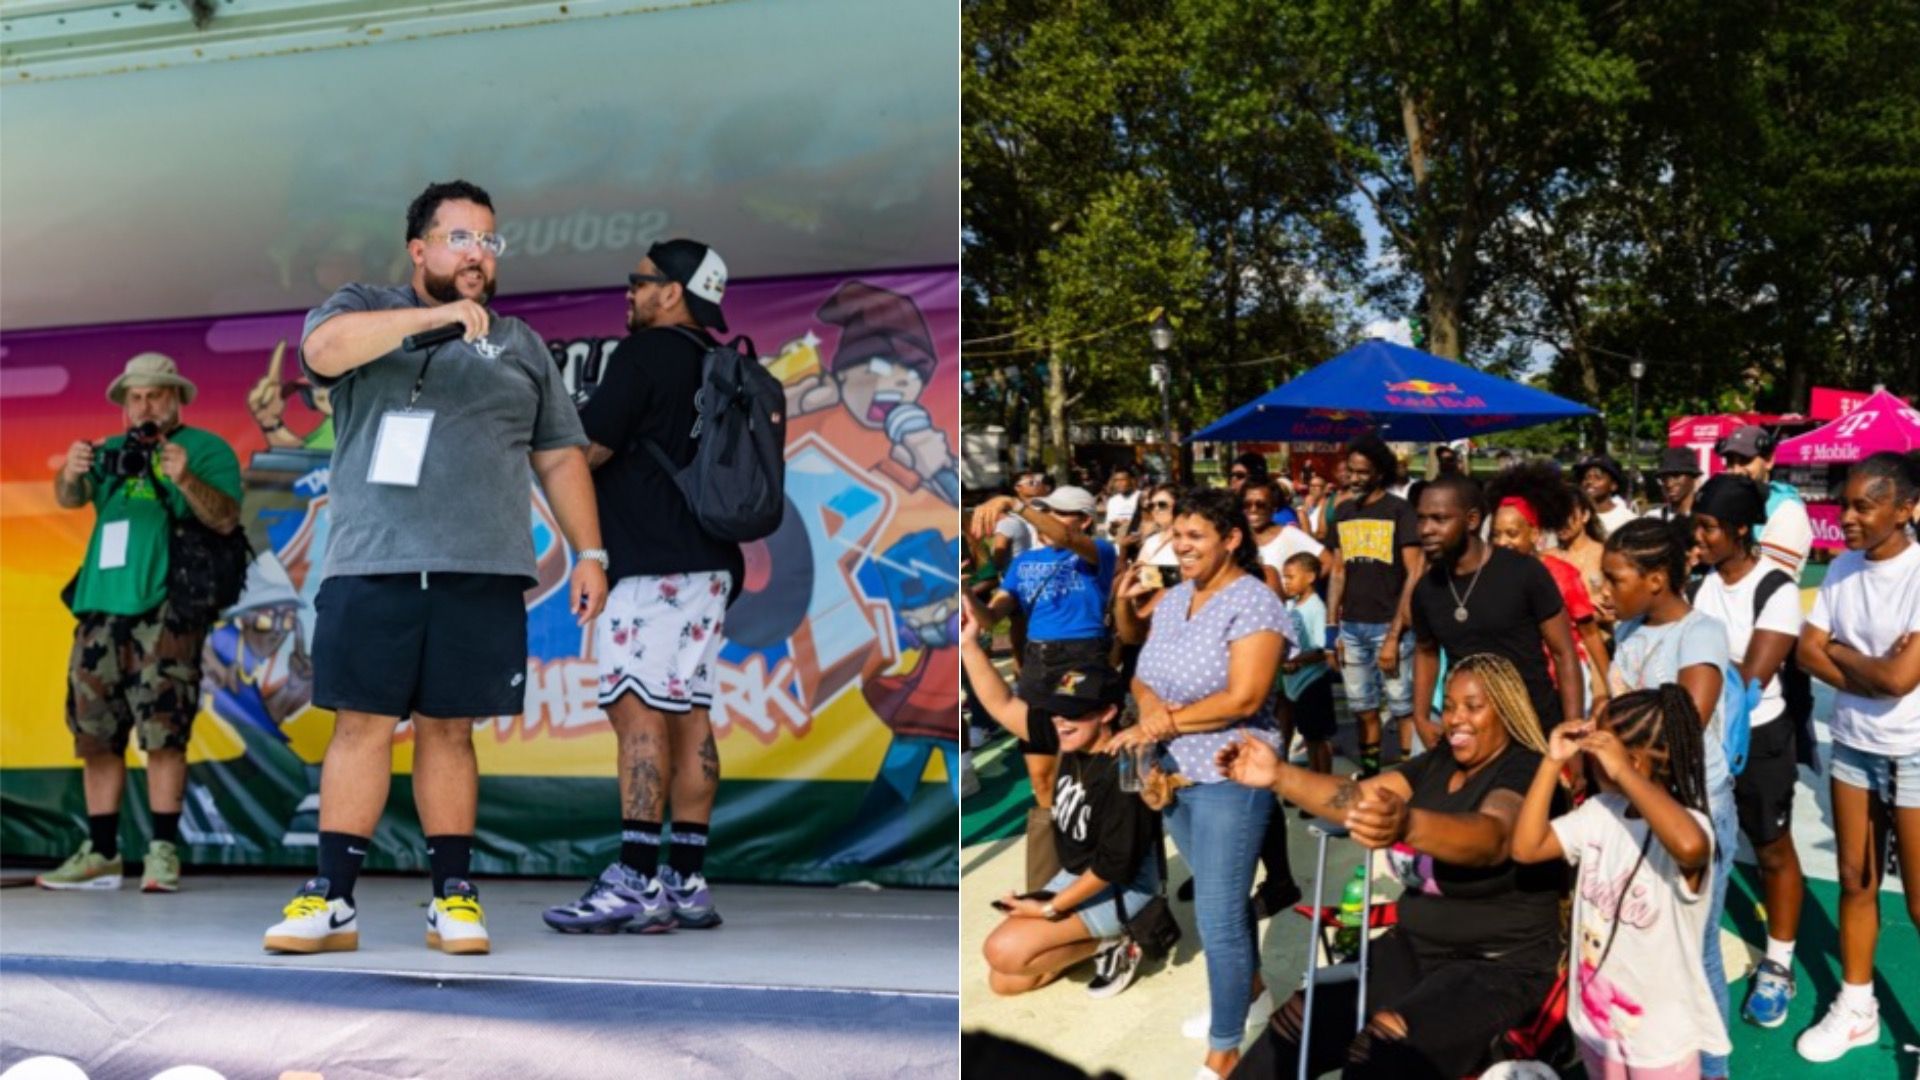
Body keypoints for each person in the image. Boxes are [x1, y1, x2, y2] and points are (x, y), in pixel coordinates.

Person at [264, 180, 609, 956]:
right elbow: (322, 352)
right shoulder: (365, 308)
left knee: (449, 731)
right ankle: (332, 900)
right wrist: (435, 319)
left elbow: (558, 457)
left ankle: (453, 896)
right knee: (361, 726)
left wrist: (590, 552)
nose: (478, 254)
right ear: (419, 249)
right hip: (372, 562)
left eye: (488, 240)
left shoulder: (519, 345)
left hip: (480, 567)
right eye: (460, 238)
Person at [1218, 654, 1566, 1080]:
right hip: (1414, 947)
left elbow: (1493, 837)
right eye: (1451, 705)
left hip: (1497, 964)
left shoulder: (1524, 768)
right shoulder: (1439, 762)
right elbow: (1354, 798)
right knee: (1298, 1024)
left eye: (1473, 707)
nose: (1457, 718)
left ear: (1508, 711)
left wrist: (1407, 823)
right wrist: (1278, 775)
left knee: (1383, 1048)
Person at [541, 238, 744, 935]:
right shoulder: (719, 362)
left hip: (650, 563)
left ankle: (633, 878)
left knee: (635, 712)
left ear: (672, 292)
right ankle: (685, 879)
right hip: (712, 564)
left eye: (641, 281)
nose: (630, 291)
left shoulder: (645, 355)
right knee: (689, 715)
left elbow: (587, 448)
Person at [41, 353, 242, 894]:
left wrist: (185, 476)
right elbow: (68, 499)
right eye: (135, 397)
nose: (144, 405)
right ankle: (102, 852)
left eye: (155, 395)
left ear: (176, 398)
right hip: (100, 608)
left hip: (167, 609)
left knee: (164, 729)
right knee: (94, 733)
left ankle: (161, 851)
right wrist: (71, 472)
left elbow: (225, 517)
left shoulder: (205, 449)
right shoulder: (109, 452)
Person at [1108, 488, 1292, 1079]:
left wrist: (1163, 721)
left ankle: (1225, 1050)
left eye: (1195, 537)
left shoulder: (1256, 602)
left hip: (1228, 772)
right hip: (1166, 771)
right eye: (1176, 535)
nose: (1181, 547)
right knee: (1224, 899)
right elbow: (1140, 676)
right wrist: (1150, 716)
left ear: (1231, 539)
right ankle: (1255, 994)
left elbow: (1246, 697)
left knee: (1214, 914)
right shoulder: (1173, 599)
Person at [1510, 689, 1727, 1079]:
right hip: (1597, 1024)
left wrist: (1623, 772)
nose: (1590, 754)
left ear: (1635, 763)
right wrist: (1550, 761)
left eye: (1601, 746)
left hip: (1660, 1037)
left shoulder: (1689, 829)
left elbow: (1692, 846)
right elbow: (1527, 848)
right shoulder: (1598, 813)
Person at [1792, 452, 1920, 1064]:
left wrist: (1845, 657)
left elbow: (1902, 680)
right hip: (1853, 747)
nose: (1845, 517)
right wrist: (1870, 671)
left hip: (1915, 751)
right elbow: (1806, 653)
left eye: (1863, 506)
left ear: (1905, 509)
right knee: (1854, 879)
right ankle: (1857, 1004)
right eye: (1843, 503)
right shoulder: (1841, 568)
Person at [961, 606, 1160, 998]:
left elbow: (1114, 866)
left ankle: (1120, 939)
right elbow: (1002, 705)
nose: (1060, 722)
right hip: (1078, 875)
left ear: (1107, 712)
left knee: (1002, 951)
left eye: (1074, 714)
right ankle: (1096, 941)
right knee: (1006, 981)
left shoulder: (1128, 768)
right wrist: (968, 644)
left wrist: (1049, 909)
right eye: (1054, 713)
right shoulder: (1068, 736)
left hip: (1124, 886)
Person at [1600, 517, 1733, 1079]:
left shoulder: (1700, 634)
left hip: (1690, 811)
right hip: (1634, 805)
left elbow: (1682, 726)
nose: (1605, 591)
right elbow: (1614, 707)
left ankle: (1710, 1070)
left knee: (1694, 956)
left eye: (1615, 579)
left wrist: (1610, 739)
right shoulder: (1630, 629)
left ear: (1656, 579)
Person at [1686, 473, 1807, 1029]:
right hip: (1702, 736)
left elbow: (1751, 679)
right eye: (1697, 525)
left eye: (1710, 527)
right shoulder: (1698, 583)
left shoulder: (1775, 588)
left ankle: (1779, 964)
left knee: (1771, 848)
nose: (1701, 537)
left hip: (1758, 737)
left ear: (1740, 529)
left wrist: (1693, 661)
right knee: (1701, 844)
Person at [971, 485, 1119, 889]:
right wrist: (966, 595)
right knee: (1040, 776)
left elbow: (1069, 539)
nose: (1046, 520)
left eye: (1058, 513)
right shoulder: (1024, 563)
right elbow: (992, 617)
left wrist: (1016, 505)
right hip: (1037, 661)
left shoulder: (1098, 552)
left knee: (1083, 758)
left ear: (1084, 520)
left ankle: (1100, 857)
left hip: (1082, 657)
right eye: (1044, 511)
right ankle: (1053, 870)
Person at [1409, 474, 1585, 748]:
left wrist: (1572, 734)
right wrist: (1420, 717)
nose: (1426, 529)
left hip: (1533, 730)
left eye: (1439, 519)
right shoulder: (1426, 590)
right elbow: (1425, 650)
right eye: (1421, 518)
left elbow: (1564, 654)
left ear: (1472, 520)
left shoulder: (1524, 572)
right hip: (1468, 732)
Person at [1328, 434, 1424, 776]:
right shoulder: (1342, 512)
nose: (1353, 478)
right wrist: (1330, 631)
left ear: (1379, 473)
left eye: (1362, 472)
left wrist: (1396, 634)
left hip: (1390, 625)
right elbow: (1337, 571)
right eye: (1350, 471)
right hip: (1351, 626)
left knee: (1402, 706)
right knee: (1362, 706)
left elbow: (1415, 572)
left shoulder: (1400, 511)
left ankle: (1410, 776)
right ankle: (1370, 773)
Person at [1485, 461, 1612, 712]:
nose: (1502, 542)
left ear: (1534, 534)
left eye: (1511, 534)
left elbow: (1590, 633)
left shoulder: (1561, 574)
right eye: (1496, 535)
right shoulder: (1487, 575)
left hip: (1563, 685)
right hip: (1510, 688)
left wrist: (1610, 686)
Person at [1716, 424, 1814, 580]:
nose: (1736, 470)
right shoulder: (1725, 505)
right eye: (1730, 462)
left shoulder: (1788, 511)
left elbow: (1768, 580)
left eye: (1745, 460)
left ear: (1769, 461)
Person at [1278, 553, 1335, 782]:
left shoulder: (1316, 608)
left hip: (1313, 683)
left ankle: (1325, 784)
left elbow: (1322, 650)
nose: (1286, 582)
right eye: (1284, 577)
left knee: (1318, 738)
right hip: (1296, 685)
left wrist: (1297, 661)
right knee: (1308, 737)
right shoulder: (1291, 604)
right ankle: (1314, 780)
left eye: (1291, 577)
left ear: (1310, 577)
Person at [1244, 478, 1326, 591]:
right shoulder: (1236, 540)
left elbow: (1327, 562)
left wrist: (1296, 591)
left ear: (1273, 508)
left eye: (1261, 504)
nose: (1253, 509)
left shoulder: (1289, 535)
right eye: (1247, 504)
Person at [1555, 487, 1615, 625]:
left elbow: (1614, 609)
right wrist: (1585, 605)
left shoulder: (1605, 554)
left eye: (1567, 514)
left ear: (1585, 515)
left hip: (1601, 641)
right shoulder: (1547, 558)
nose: (1560, 521)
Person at [992, 471, 1052, 574]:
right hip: (1019, 577)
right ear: (1017, 487)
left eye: (1038, 481)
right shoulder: (1009, 519)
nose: (1037, 484)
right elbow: (998, 558)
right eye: (1031, 482)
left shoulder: (1050, 511)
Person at [1578, 455, 1637, 535]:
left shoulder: (1627, 520)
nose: (1589, 482)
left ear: (1613, 485)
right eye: (1586, 478)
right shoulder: (1575, 517)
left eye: (1597, 478)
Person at [1643, 448, 1702, 524]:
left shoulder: (1704, 520)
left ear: (1694, 477)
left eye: (1676, 475)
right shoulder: (1653, 518)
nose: (1669, 484)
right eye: (1664, 477)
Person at [1103, 466, 1142, 540]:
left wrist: (1129, 524)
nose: (1118, 483)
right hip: (1118, 543)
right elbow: (1110, 530)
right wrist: (1114, 526)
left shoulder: (1141, 497)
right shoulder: (1113, 501)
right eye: (1116, 480)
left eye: (1122, 480)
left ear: (1132, 480)